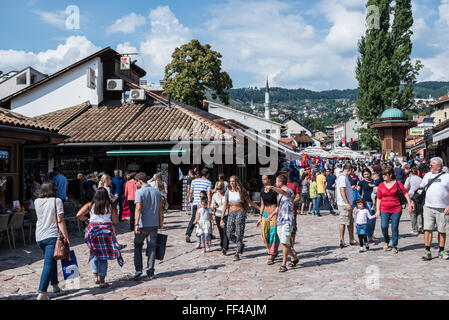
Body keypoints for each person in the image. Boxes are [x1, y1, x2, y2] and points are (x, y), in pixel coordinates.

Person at [77, 188, 122, 288]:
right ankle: (102, 281)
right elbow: (116, 221)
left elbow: (79, 214)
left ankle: (95, 276)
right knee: (103, 257)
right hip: (105, 233)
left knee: (94, 253)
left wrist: (87, 219)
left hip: (92, 232)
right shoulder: (111, 206)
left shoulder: (90, 205)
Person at [34, 182, 70, 300]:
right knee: (48, 263)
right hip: (51, 235)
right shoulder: (57, 201)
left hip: (39, 236)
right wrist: (66, 237)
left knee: (53, 259)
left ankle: (55, 286)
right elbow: (60, 220)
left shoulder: (36, 201)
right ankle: (42, 292)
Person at [132, 172, 163, 280]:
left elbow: (138, 208)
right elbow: (160, 209)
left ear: (140, 181)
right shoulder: (157, 192)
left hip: (142, 224)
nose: (135, 184)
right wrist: (160, 221)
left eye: (136, 182)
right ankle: (150, 271)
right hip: (153, 224)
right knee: (152, 248)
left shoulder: (139, 192)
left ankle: (138, 269)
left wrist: (136, 224)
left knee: (138, 246)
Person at [221, 175, 260, 261]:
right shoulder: (228, 192)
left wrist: (260, 209)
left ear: (236, 182)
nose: (232, 183)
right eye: (230, 181)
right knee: (229, 233)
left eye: (233, 181)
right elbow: (225, 205)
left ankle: (237, 253)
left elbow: (250, 202)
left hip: (240, 212)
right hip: (231, 213)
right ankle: (240, 244)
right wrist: (222, 217)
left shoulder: (242, 191)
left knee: (239, 232)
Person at [375, 167, 414, 254]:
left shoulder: (398, 183)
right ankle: (386, 240)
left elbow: (405, 193)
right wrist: (377, 210)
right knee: (384, 226)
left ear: (390, 175)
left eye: (385, 174)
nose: (383, 176)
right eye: (383, 174)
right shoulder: (381, 185)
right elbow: (378, 198)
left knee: (394, 227)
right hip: (384, 209)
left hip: (396, 208)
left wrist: (410, 203)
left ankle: (394, 245)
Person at [266, 175, 299, 272]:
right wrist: (272, 214)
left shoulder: (288, 191)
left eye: (276, 182)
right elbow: (279, 207)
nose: (275, 183)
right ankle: (294, 258)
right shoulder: (279, 195)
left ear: (280, 182)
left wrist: (272, 187)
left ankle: (284, 264)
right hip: (280, 220)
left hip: (287, 220)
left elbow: (283, 192)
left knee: (284, 242)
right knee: (284, 242)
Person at [419, 157, 449, 260]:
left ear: (439, 167)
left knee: (442, 230)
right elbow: (421, 187)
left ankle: (441, 251)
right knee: (427, 229)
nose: (429, 166)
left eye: (432, 165)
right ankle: (427, 251)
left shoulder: (447, 177)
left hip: (443, 208)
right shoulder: (427, 175)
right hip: (428, 207)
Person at [257, 175, 280, 265]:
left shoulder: (275, 190)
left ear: (270, 180)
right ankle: (272, 249)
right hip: (265, 214)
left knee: (273, 233)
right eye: (262, 179)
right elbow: (262, 204)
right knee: (264, 234)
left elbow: (279, 203)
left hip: (274, 213)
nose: (263, 180)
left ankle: (271, 254)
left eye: (265, 179)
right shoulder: (262, 190)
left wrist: (276, 213)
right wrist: (260, 216)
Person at [186, 169, 212, 243]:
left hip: (195, 203)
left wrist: (191, 199)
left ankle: (188, 234)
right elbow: (209, 194)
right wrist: (209, 204)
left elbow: (191, 192)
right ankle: (207, 235)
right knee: (206, 219)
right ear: (207, 175)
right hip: (203, 204)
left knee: (194, 218)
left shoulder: (194, 181)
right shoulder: (208, 182)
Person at [336, 163, 357, 249]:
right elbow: (342, 191)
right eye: (352, 170)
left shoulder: (345, 178)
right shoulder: (342, 178)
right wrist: (347, 203)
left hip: (347, 203)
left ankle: (351, 239)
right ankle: (342, 240)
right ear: (349, 170)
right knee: (343, 221)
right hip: (344, 204)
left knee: (350, 221)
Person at [357, 169, 376, 242]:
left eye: (367, 174)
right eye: (365, 174)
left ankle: (371, 233)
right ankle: (370, 235)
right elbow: (357, 191)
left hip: (375, 202)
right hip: (366, 202)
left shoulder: (374, 181)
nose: (367, 175)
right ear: (363, 175)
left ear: (370, 174)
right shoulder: (362, 182)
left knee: (373, 219)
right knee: (369, 219)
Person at [211, 181, 229, 255]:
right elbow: (211, 205)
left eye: (220, 188)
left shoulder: (227, 194)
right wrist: (214, 206)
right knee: (221, 232)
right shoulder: (214, 195)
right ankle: (222, 245)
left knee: (225, 231)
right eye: (217, 188)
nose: (219, 190)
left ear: (223, 188)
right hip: (218, 214)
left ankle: (225, 247)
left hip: (226, 214)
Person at [404, 166, 423, 235]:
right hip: (419, 195)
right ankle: (420, 225)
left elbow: (405, 188)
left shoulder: (409, 179)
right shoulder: (421, 179)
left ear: (411, 173)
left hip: (411, 195)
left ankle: (415, 229)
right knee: (419, 211)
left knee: (412, 212)